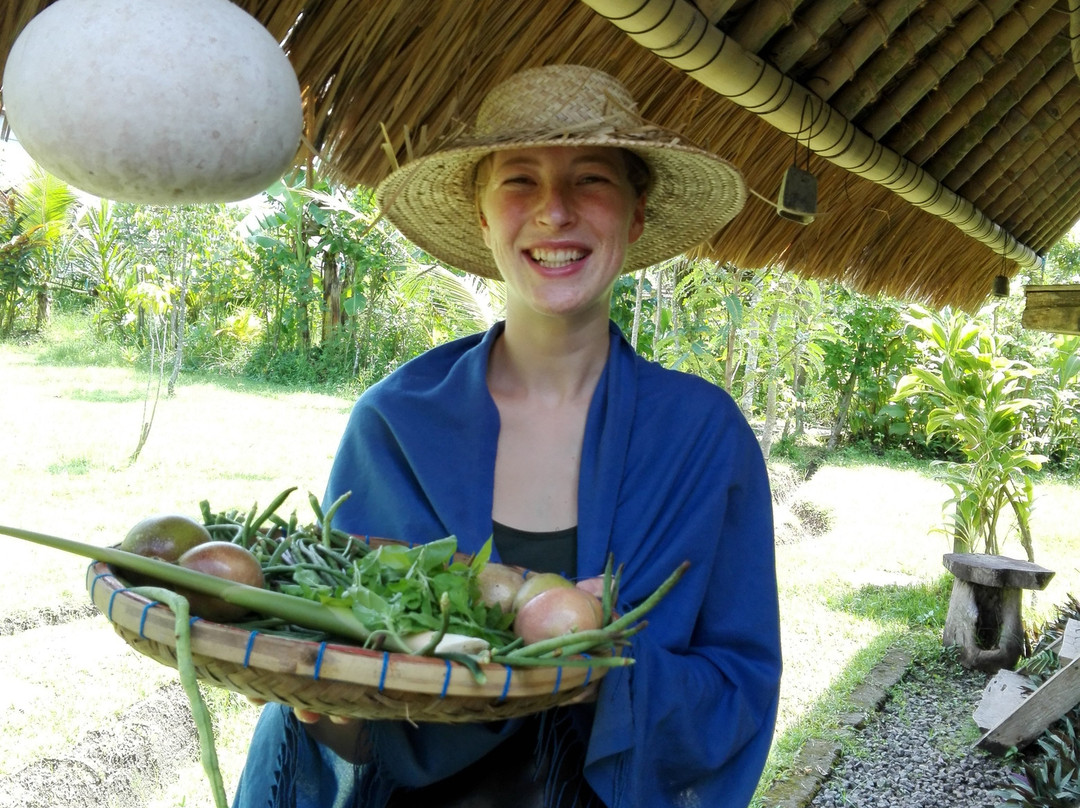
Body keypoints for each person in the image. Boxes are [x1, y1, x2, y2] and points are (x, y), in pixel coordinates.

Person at [231, 64, 781, 808]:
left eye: (591, 179)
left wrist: (608, 668)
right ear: (483, 217)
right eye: (520, 180)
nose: (554, 212)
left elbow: (740, 686)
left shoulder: (702, 439)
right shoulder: (396, 422)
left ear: (636, 215)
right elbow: (353, 706)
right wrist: (322, 697)